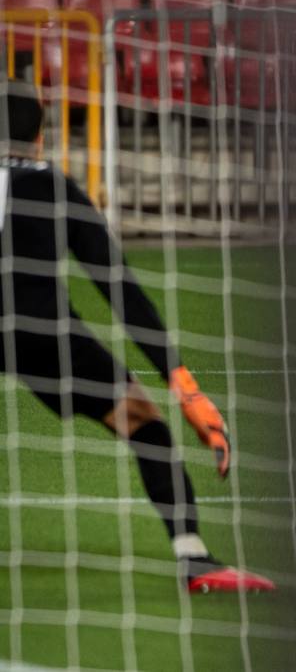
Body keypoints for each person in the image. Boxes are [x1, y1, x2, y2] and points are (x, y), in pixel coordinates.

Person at [0, 79, 274, 594]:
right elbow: (117, 285)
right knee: (147, 428)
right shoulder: (54, 185)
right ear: (40, 135)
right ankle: (194, 557)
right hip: (41, 332)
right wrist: (182, 382)